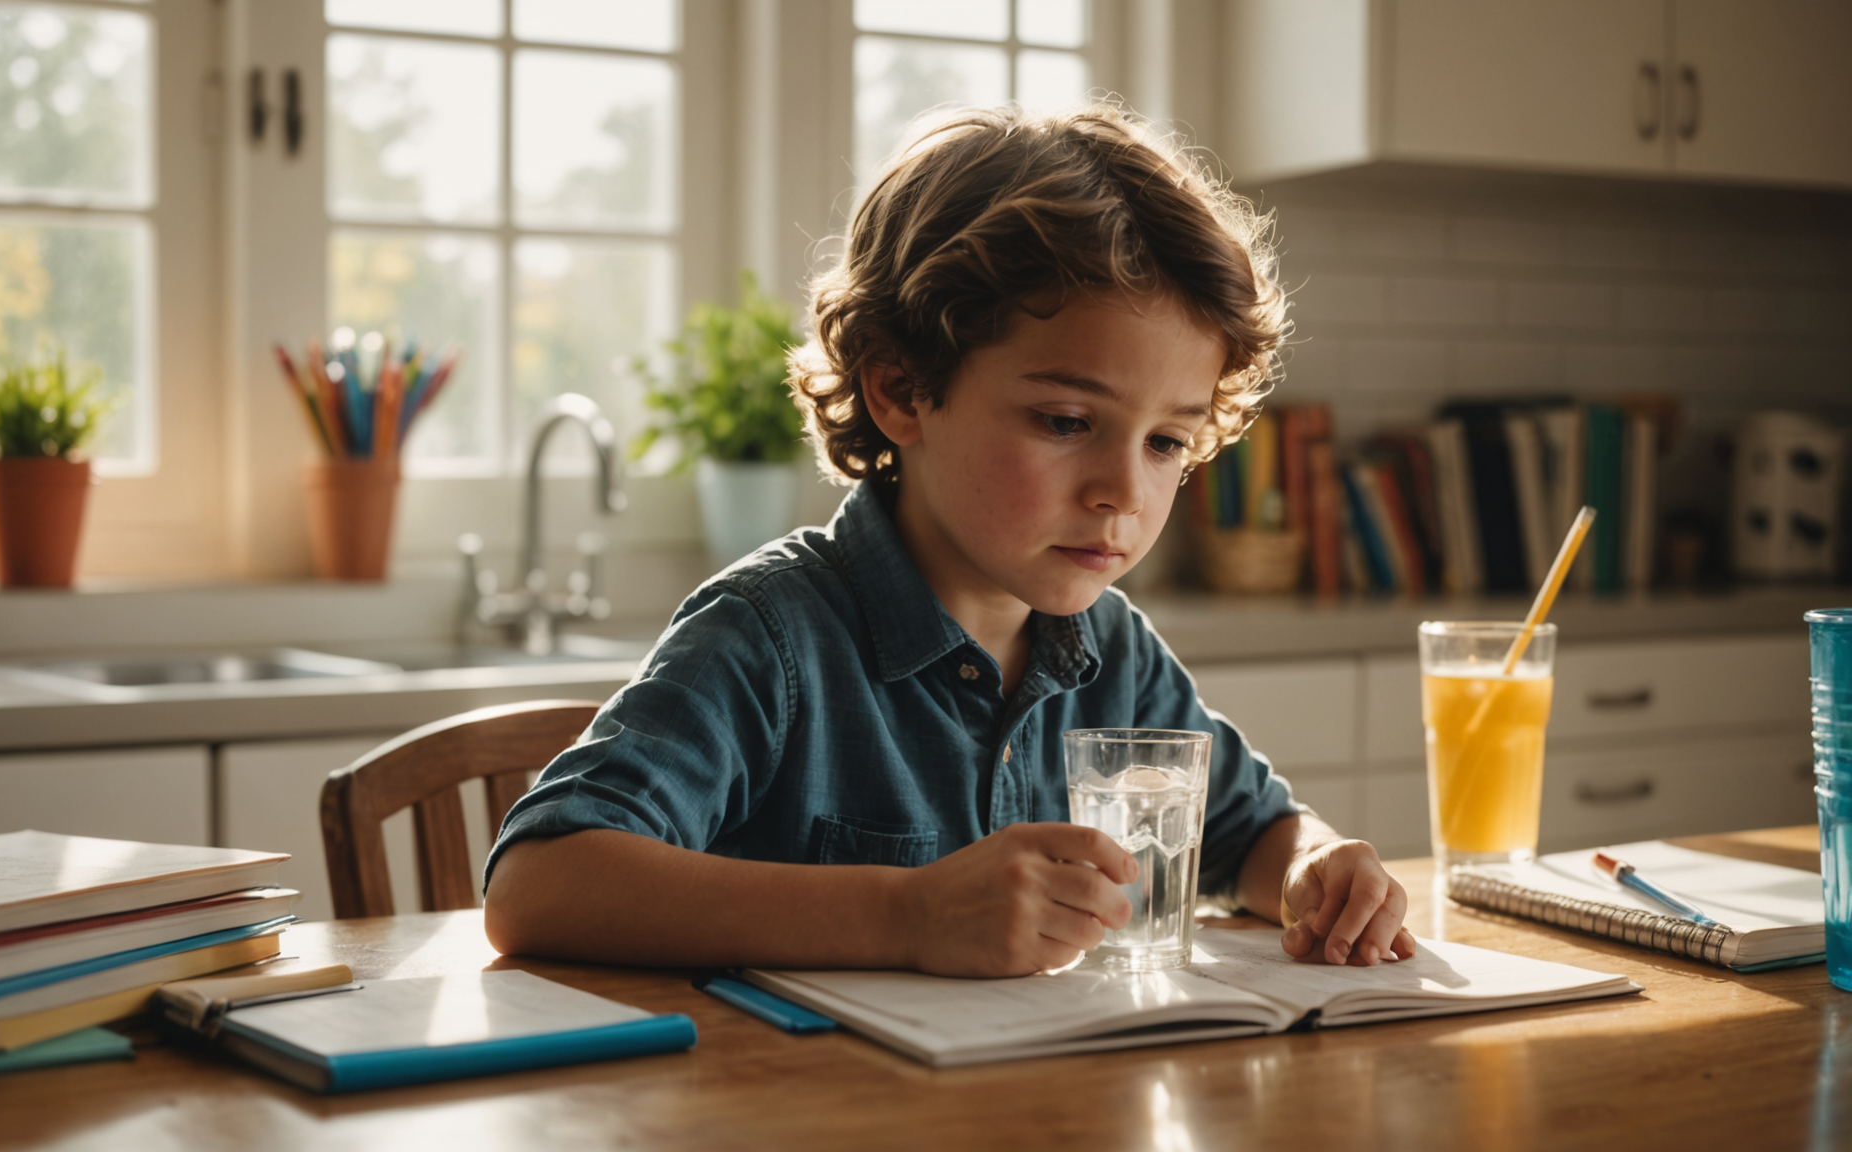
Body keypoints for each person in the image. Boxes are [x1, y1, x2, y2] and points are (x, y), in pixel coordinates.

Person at [483, 103, 1415, 978]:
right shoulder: (772, 637)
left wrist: (1319, 868)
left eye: (1167, 441)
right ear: (900, 391)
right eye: (1063, 420)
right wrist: (908, 915)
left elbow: (1254, 835)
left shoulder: (1116, 656)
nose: (1123, 493)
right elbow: (539, 885)